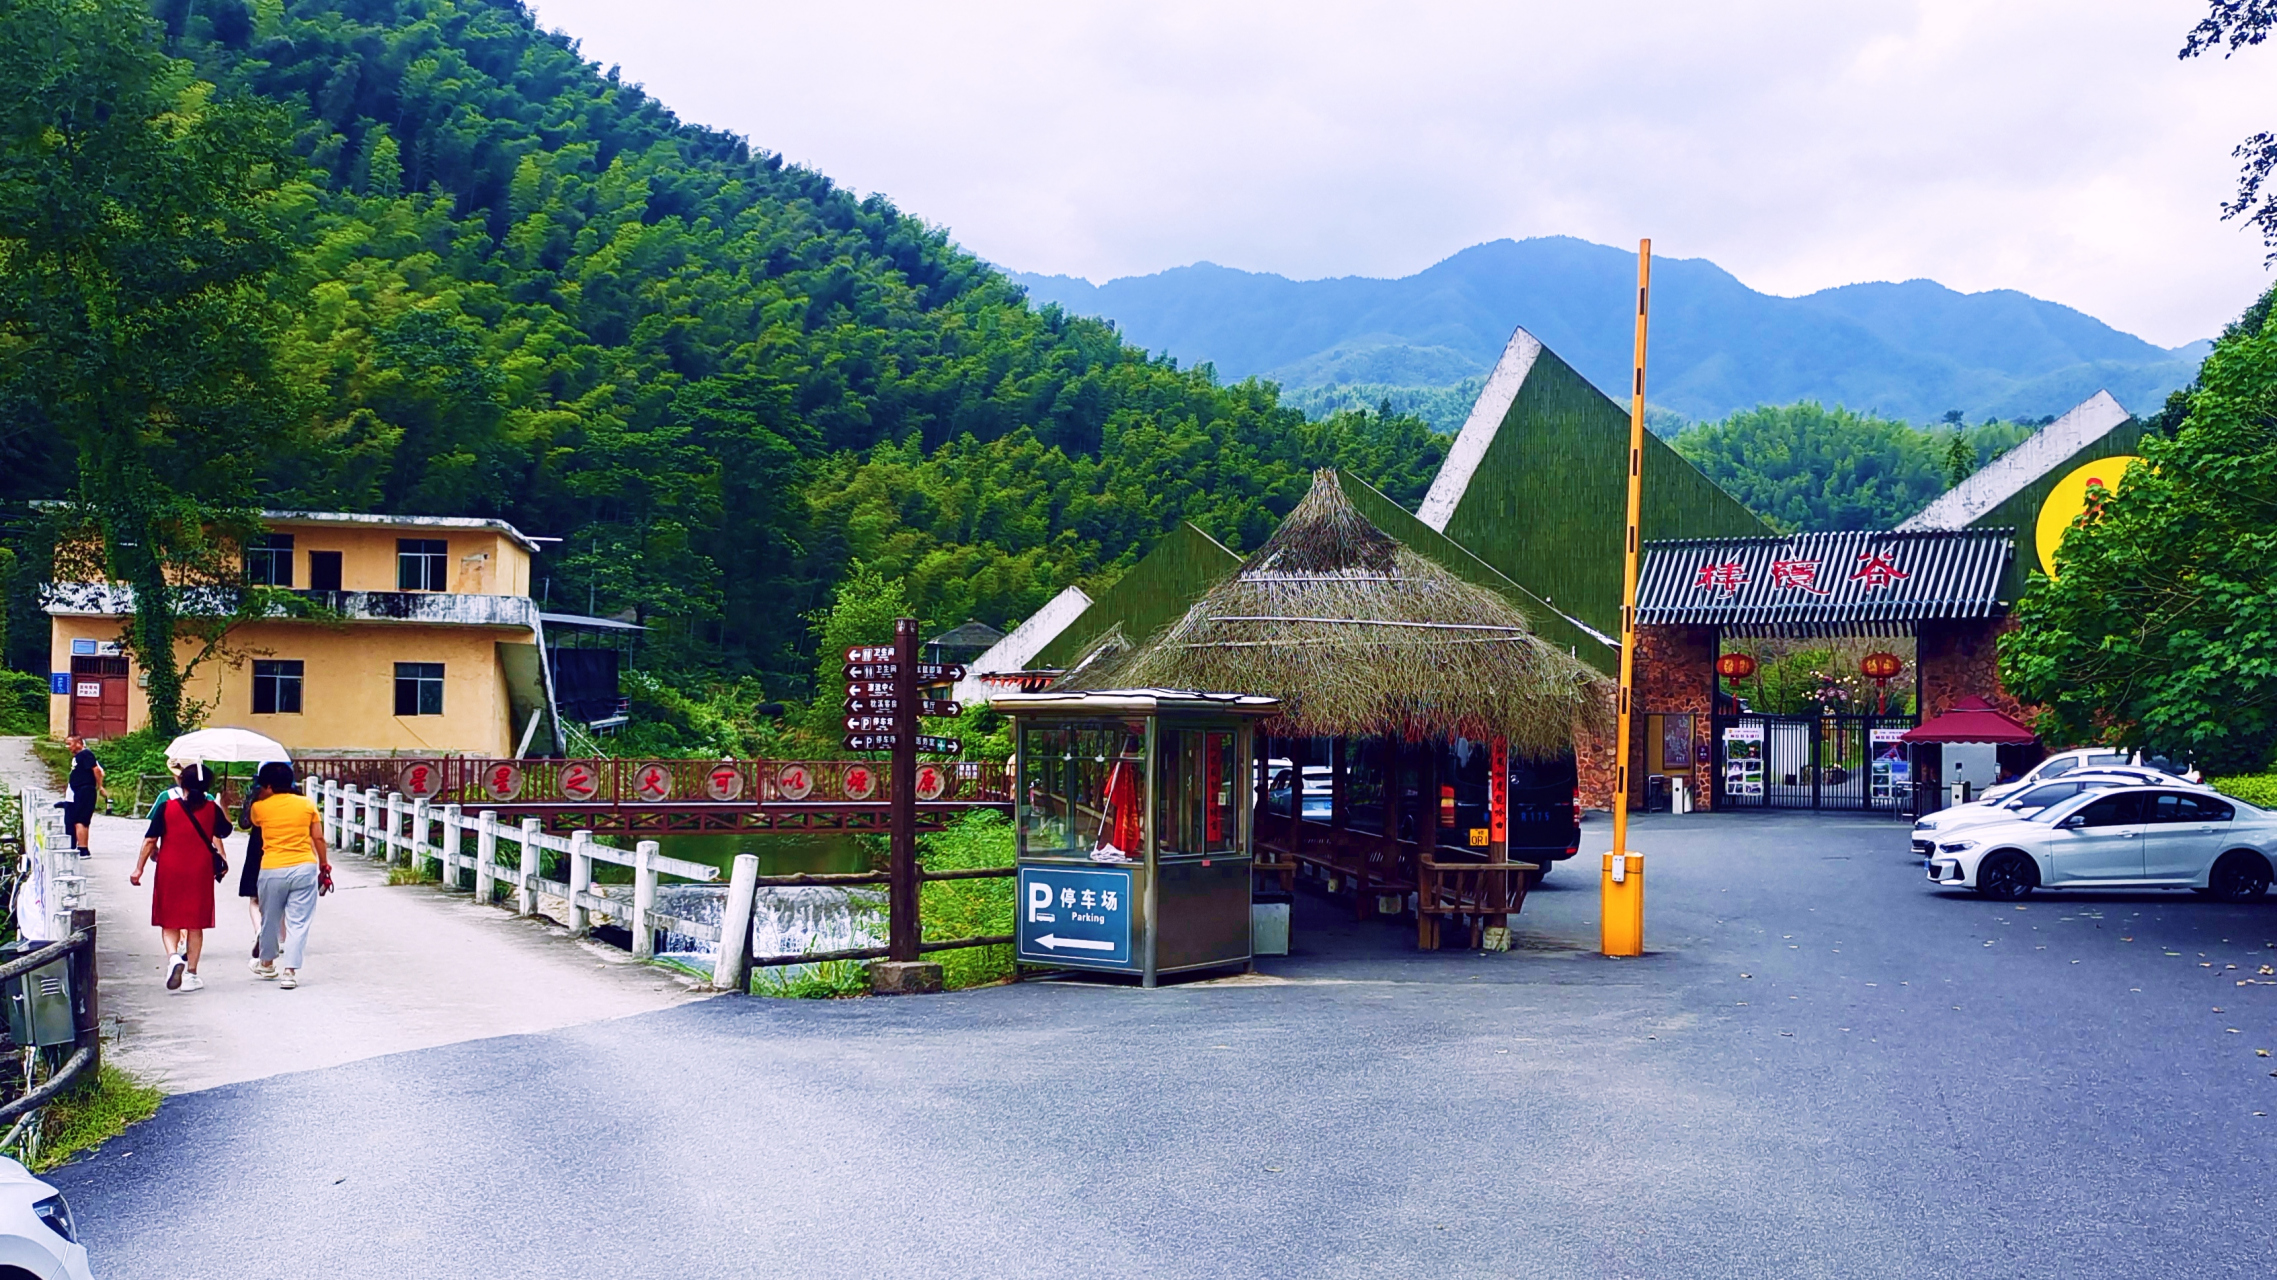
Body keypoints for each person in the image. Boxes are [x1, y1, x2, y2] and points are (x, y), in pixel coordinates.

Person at [128, 763, 229, 993]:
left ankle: (174, 957)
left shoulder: (166, 808)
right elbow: (224, 831)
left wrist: (139, 869)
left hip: (170, 867)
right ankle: (192, 974)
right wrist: (223, 806)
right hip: (200, 870)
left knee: (169, 919)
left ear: (181, 782)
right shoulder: (212, 809)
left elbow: (150, 840)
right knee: (195, 923)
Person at [247, 762, 328, 989]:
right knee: (298, 922)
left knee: (270, 918)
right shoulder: (307, 804)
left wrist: (258, 796)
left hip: (272, 868)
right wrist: (324, 864)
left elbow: (250, 822)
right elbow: (319, 839)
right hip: (304, 866)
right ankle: (290, 972)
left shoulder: (260, 808)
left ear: (268, 785)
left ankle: (267, 963)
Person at [64, 735, 103, 856]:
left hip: (85, 790)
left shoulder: (86, 754)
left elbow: (97, 770)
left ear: (78, 743)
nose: (68, 747)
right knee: (79, 819)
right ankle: (81, 846)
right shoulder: (79, 757)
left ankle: (83, 848)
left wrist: (100, 786)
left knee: (80, 820)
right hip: (79, 790)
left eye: (70, 744)